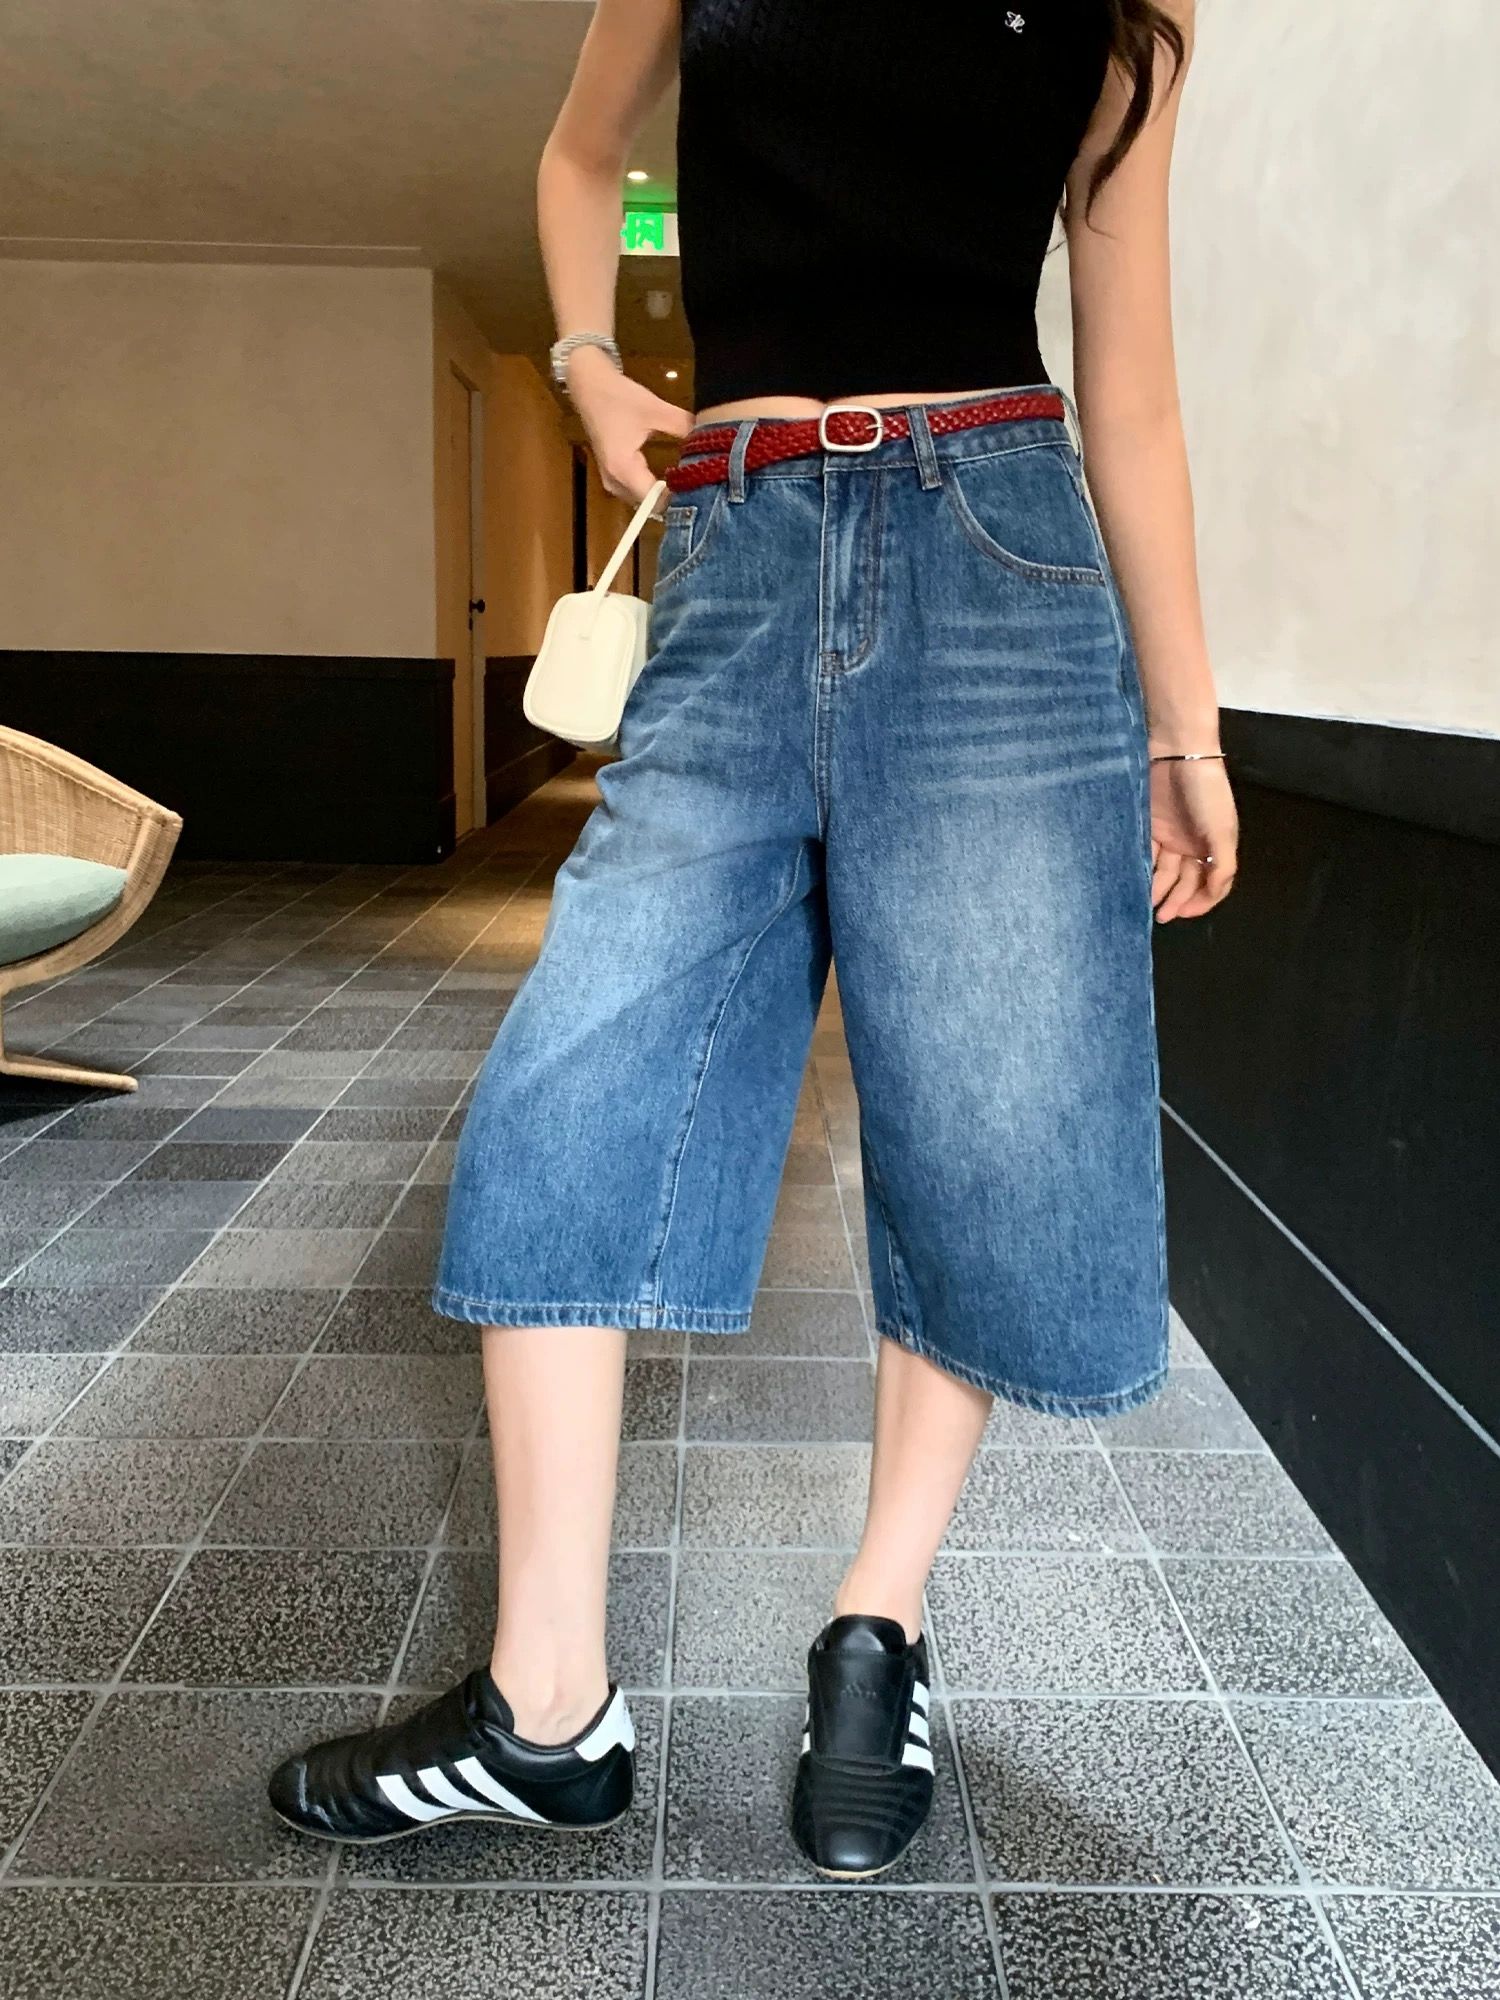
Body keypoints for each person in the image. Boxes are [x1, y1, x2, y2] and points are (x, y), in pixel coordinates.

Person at [269, 0, 1236, 1880]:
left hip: (999, 554)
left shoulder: (1136, 5)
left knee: (983, 1115)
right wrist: (580, 359)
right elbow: (579, 153)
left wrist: (1185, 733)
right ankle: (546, 1712)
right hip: (735, 551)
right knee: (568, 1092)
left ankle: (880, 1624)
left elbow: (1132, 388)